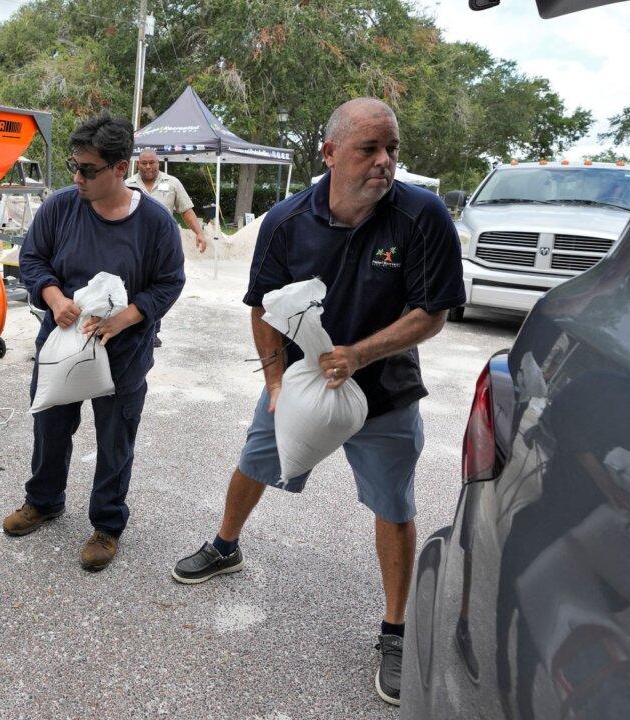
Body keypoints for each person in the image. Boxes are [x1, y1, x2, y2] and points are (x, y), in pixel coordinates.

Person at [170, 98, 465, 706]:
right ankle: (226, 545)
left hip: (383, 393)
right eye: (369, 149)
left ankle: (394, 629)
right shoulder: (285, 220)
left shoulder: (422, 216)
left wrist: (359, 355)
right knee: (256, 459)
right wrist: (277, 384)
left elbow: (431, 314)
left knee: (393, 503)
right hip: (301, 380)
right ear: (330, 153)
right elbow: (262, 307)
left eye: (392, 150)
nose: (385, 162)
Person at [4, 114, 185, 571]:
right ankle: (44, 501)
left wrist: (128, 316)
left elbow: (169, 281)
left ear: (120, 168)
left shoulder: (156, 224)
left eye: (88, 169)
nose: (78, 177)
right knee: (49, 427)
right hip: (61, 346)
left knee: (114, 439)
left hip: (123, 354)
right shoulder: (62, 207)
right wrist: (53, 296)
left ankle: (107, 525)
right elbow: (32, 258)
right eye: (74, 166)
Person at [126, 148, 206, 347]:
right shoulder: (127, 184)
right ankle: (134, 325)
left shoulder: (172, 183)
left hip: (162, 246)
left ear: (158, 163)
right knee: (136, 284)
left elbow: (186, 210)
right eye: (144, 163)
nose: (147, 166)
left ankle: (152, 329)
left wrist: (199, 233)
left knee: (158, 286)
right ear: (138, 164)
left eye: (151, 162)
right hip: (134, 244)